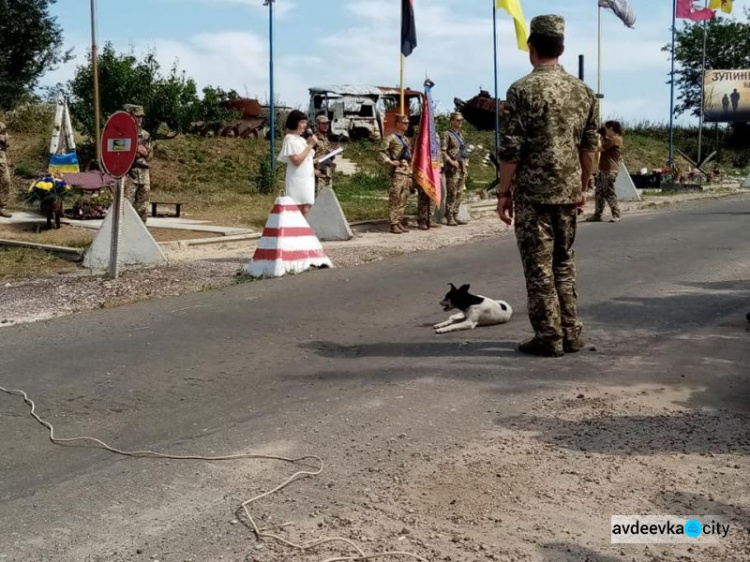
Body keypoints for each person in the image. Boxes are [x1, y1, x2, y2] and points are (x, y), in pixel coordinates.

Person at [497, 14, 599, 357]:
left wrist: (503, 192)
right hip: (568, 192)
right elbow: (589, 148)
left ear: (533, 48)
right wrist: (582, 187)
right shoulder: (583, 91)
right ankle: (571, 333)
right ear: (562, 47)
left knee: (539, 268)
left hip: (534, 195)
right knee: (563, 263)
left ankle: (548, 337)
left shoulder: (522, 90)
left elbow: (511, 150)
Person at [278, 109, 317, 216]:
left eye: (305, 122)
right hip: (297, 180)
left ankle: (304, 230)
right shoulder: (289, 139)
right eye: (302, 122)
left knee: (307, 207)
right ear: (295, 122)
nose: (305, 125)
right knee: (297, 208)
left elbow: (305, 159)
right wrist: (310, 145)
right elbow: (296, 160)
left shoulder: (301, 140)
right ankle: (297, 231)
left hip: (307, 179)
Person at [380, 115, 412, 234]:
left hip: (407, 172)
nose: (406, 125)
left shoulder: (406, 140)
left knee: (404, 197)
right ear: (398, 123)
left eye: (407, 123)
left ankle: (399, 221)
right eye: (404, 123)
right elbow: (381, 151)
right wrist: (390, 161)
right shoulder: (392, 138)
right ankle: (393, 223)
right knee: (395, 197)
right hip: (398, 172)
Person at [590, 120, 623, 222]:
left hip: (610, 170)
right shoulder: (611, 139)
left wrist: (599, 137)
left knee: (609, 192)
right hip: (604, 169)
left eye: (606, 129)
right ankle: (597, 214)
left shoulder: (616, 139)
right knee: (599, 192)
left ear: (611, 129)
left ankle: (616, 214)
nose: (605, 131)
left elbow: (599, 148)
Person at [124, 105, 152, 223]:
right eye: (137, 116)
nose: (140, 119)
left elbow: (150, 156)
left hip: (144, 174)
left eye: (141, 117)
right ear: (131, 116)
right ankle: (125, 233)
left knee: (143, 207)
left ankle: (141, 232)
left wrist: (144, 153)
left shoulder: (146, 135)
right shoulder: (124, 133)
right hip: (130, 173)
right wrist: (135, 149)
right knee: (126, 206)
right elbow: (119, 152)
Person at [441, 111, 469, 226]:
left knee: (459, 193)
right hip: (452, 168)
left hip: (462, 167)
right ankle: (449, 215)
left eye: (461, 120)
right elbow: (442, 151)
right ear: (452, 121)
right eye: (458, 120)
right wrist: (451, 161)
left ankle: (455, 213)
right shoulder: (447, 134)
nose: (460, 122)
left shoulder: (461, 135)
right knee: (452, 193)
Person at [313, 114, 335, 191]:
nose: (326, 125)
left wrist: (332, 153)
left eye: (327, 123)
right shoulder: (313, 139)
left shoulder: (326, 138)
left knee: (328, 199)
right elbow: (307, 159)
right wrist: (314, 170)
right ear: (317, 124)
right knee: (318, 199)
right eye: (323, 124)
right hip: (318, 175)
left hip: (327, 174)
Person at [0, 122, 12, 218]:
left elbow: (7, 142)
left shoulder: (1, 125)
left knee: (5, 181)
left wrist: (4, 138)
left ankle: (2, 207)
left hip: (1, 158)